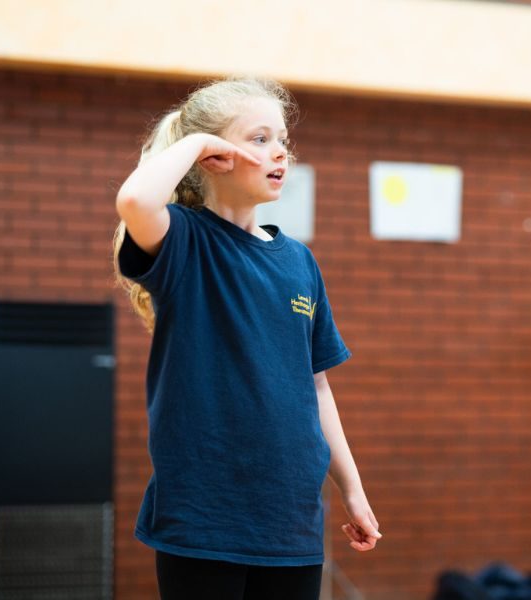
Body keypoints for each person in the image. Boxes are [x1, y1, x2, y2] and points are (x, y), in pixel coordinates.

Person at [112, 78, 381, 600]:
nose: (280, 151)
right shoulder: (184, 239)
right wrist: (193, 145)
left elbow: (317, 388)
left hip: (290, 518)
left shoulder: (300, 262)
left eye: (282, 139)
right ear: (214, 156)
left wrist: (352, 489)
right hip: (205, 515)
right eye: (259, 139)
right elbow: (135, 198)